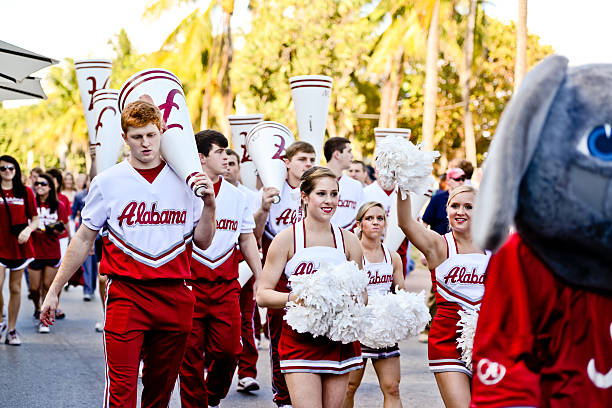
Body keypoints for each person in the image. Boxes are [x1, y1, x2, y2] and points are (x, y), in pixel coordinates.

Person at [40, 99, 216, 408]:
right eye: (137, 136)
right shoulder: (107, 182)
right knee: (121, 394)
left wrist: (210, 207)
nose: (145, 143)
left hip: (176, 295)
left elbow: (202, 242)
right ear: (125, 138)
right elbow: (83, 239)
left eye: (151, 135)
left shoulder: (186, 179)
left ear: (162, 132)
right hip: (126, 295)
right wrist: (55, 290)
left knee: (159, 394)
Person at [257, 166, 364, 408]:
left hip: (338, 341)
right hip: (299, 340)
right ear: (304, 196)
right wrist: (299, 299)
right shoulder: (286, 238)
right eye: (322, 194)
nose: (329, 201)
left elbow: (361, 294)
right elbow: (263, 295)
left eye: (334, 194)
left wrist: (346, 303)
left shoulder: (348, 241)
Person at [179, 130, 261, 408]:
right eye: (220, 152)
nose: (227, 157)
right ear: (201, 158)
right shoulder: (182, 192)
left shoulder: (238, 197)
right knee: (188, 357)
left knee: (228, 351)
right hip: (190, 285)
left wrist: (260, 277)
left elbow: (247, 238)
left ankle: (212, 395)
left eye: (228, 153)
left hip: (226, 286)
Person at [396, 185, 490, 408]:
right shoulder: (438, 245)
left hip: (488, 340)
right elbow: (405, 223)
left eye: (469, 207)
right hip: (447, 340)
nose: (460, 212)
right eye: (454, 206)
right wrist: (403, 185)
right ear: (446, 210)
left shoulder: (494, 247)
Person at [253, 140, 316, 408]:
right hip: (279, 277)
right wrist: (265, 207)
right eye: (303, 159)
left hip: (311, 276)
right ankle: (284, 398)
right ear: (287, 163)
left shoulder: (316, 193)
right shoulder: (270, 191)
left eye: (312, 159)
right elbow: (254, 235)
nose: (309, 164)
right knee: (280, 338)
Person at [344, 201, 405, 408]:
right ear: (359, 224)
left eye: (380, 218)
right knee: (349, 387)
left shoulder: (393, 257)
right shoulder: (350, 254)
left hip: (383, 331)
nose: (375, 222)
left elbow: (400, 295)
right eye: (369, 218)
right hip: (356, 328)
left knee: (392, 387)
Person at [225, 148, 263, 394]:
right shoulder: (205, 193)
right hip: (217, 266)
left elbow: (254, 236)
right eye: (224, 161)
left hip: (244, 264)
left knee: (245, 320)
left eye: (232, 163)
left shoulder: (250, 196)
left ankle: (247, 373)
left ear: (240, 168)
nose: (228, 167)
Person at [0, 155, 39, 345]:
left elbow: (35, 219)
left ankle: (12, 329)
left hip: (19, 247)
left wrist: (28, 230)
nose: (7, 171)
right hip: (0, 246)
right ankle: (0, 321)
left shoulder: (26, 192)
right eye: (3, 168)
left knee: (15, 288)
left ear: (16, 170)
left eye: (11, 168)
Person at [28, 173, 69, 333]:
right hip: (34, 251)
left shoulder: (59, 206)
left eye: (43, 184)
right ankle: (38, 308)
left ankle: (43, 319)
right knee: (33, 288)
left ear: (50, 187)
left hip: (52, 251)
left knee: (47, 286)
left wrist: (52, 227)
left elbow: (64, 228)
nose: (39, 186)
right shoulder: (31, 204)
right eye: (37, 184)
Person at [324, 137, 364, 231]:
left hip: (348, 239)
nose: (352, 156)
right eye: (349, 151)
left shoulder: (356, 185)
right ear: (337, 154)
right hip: (319, 237)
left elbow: (360, 216)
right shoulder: (315, 181)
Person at [422, 168, 465, 236]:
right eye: (457, 179)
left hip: (459, 244)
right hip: (438, 242)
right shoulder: (437, 198)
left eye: (463, 179)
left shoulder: (467, 199)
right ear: (448, 181)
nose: (461, 182)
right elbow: (425, 223)